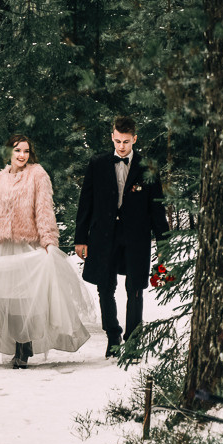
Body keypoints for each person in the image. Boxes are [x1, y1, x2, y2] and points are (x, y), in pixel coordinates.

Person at [0, 134, 92, 368]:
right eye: (18, 150)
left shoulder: (37, 175)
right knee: (6, 298)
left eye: (26, 151)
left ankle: (24, 346)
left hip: (28, 246)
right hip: (4, 246)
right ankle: (17, 344)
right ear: (8, 152)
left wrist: (49, 242)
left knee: (25, 299)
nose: (22, 155)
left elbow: (44, 211)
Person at [74, 116, 170, 358]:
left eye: (126, 142)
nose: (121, 146)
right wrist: (80, 238)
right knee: (105, 287)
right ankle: (113, 336)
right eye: (117, 141)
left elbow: (157, 207)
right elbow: (85, 203)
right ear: (112, 137)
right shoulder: (97, 164)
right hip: (103, 235)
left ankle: (133, 340)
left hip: (136, 236)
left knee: (135, 287)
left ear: (134, 139)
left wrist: (163, 242)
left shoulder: (147, 167)